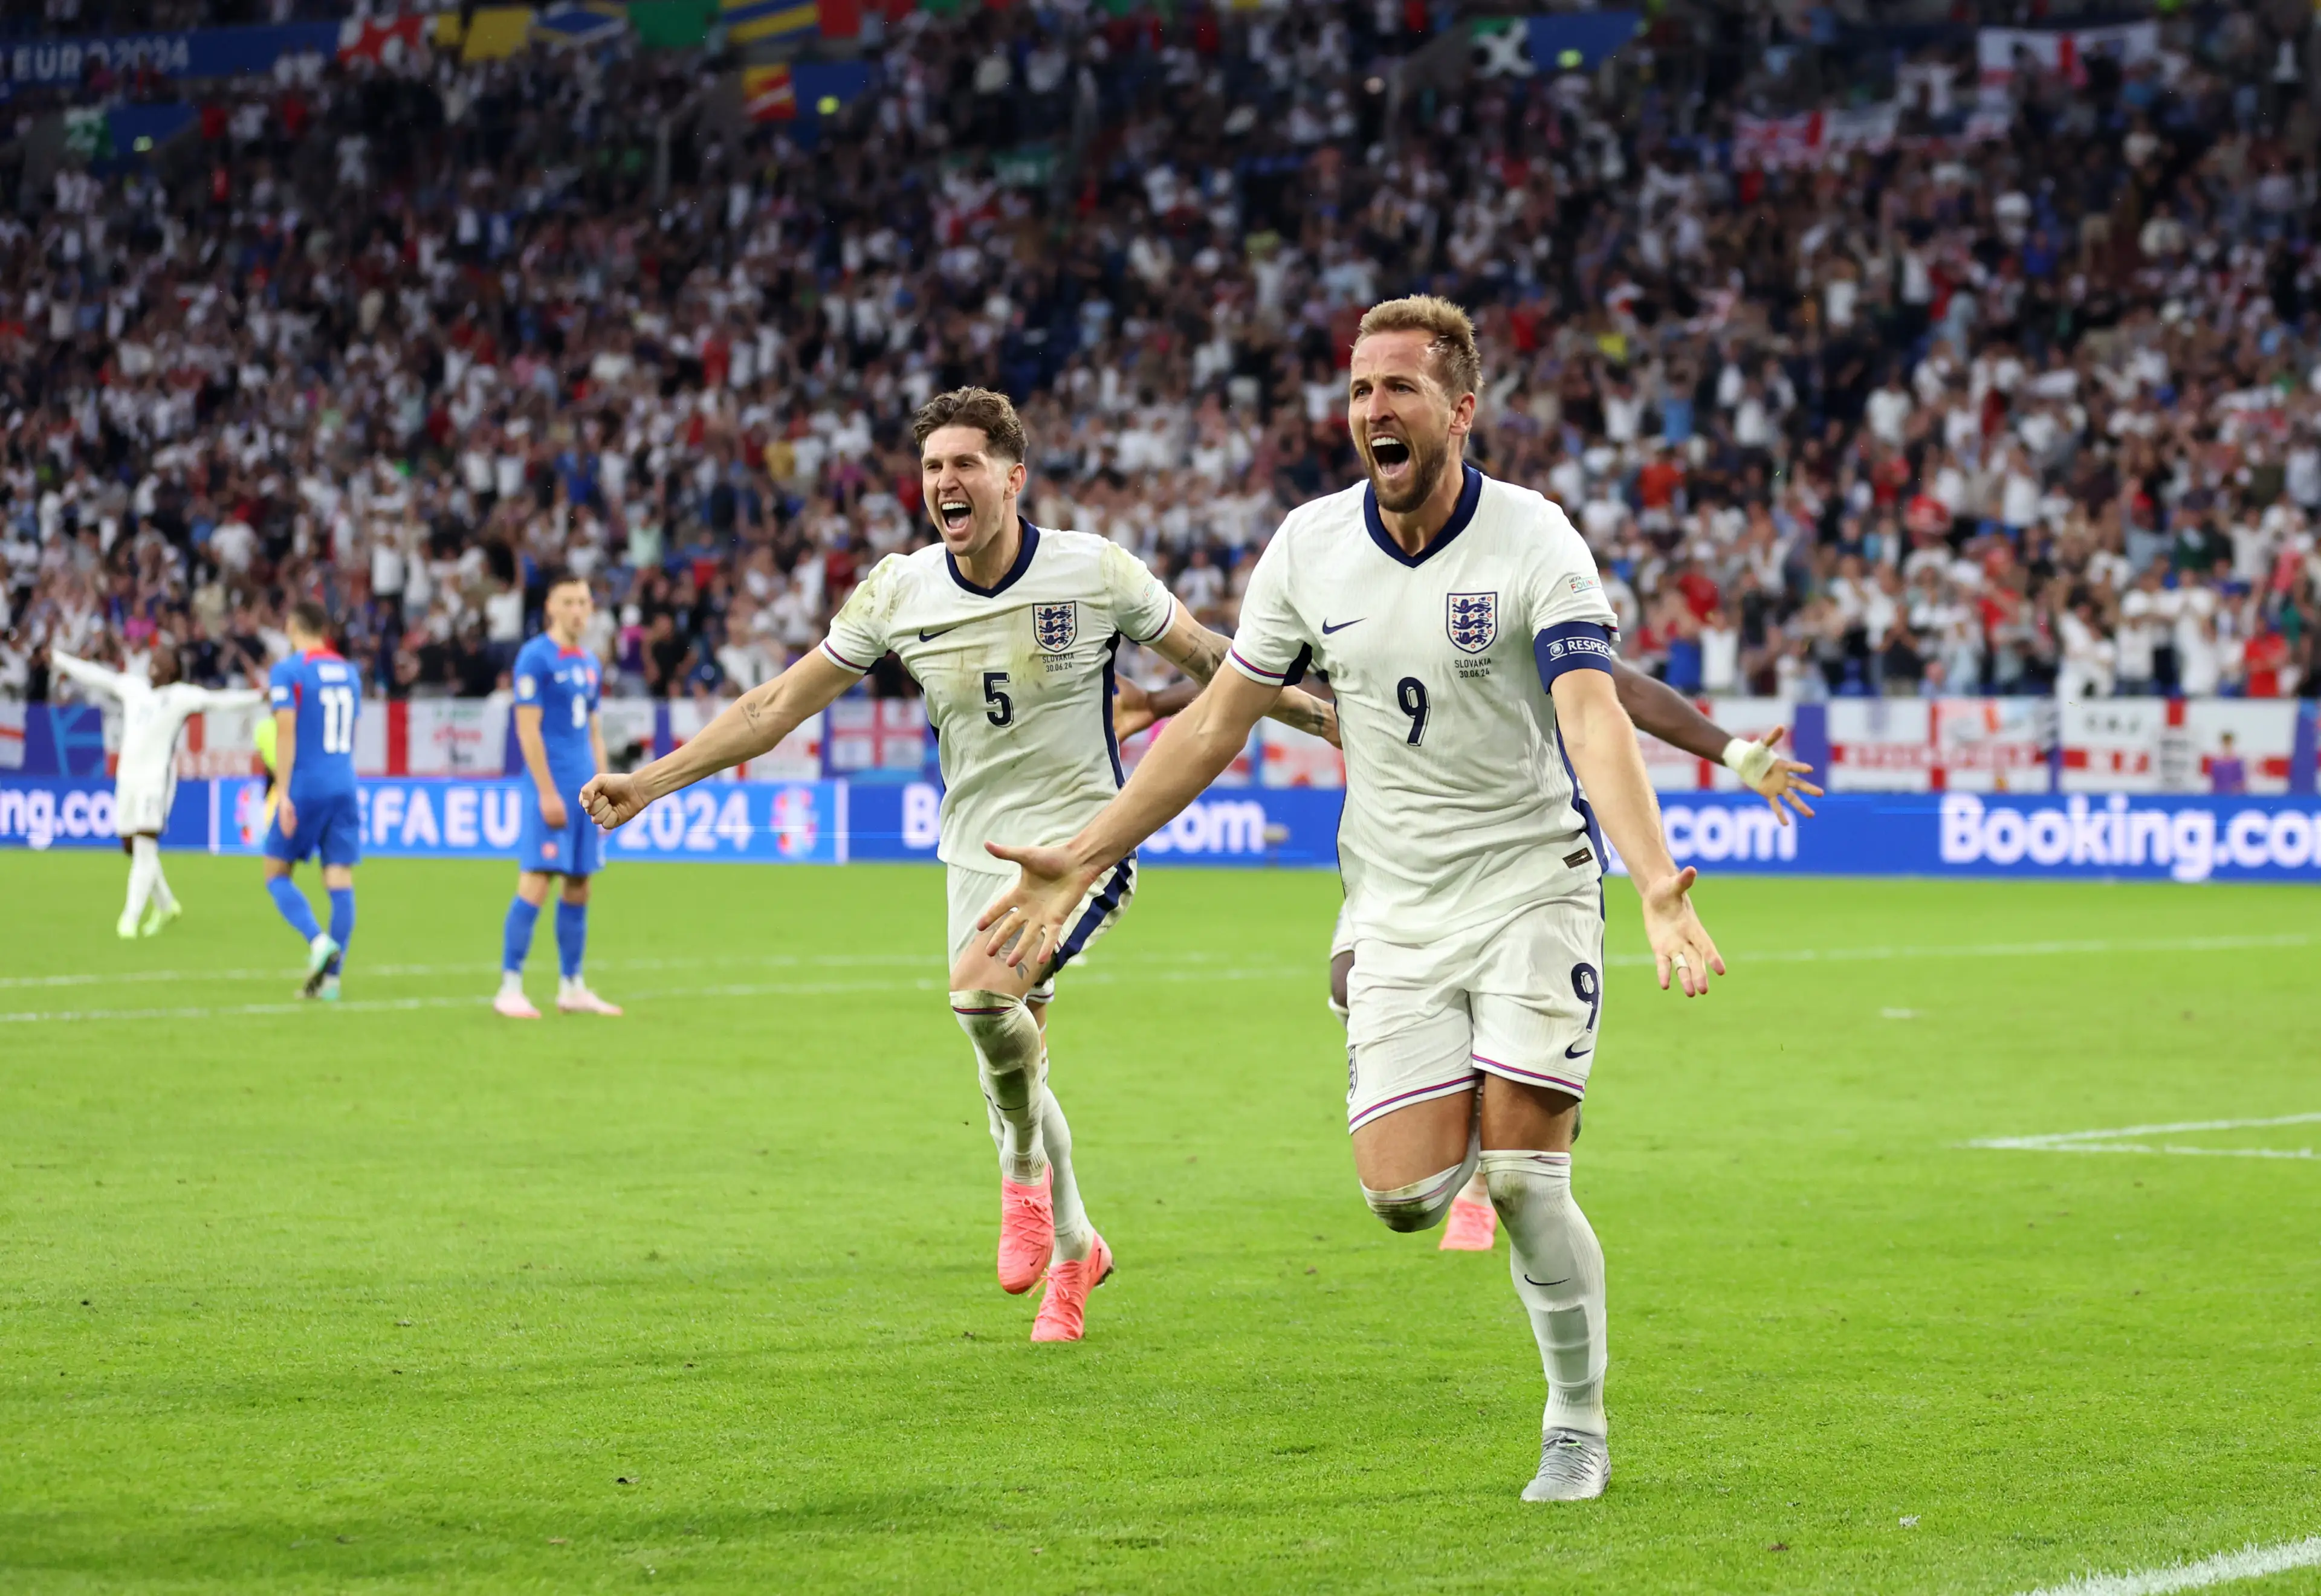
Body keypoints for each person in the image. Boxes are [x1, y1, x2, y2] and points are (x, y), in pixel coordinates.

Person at [976, 297, 1724, 1499]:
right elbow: (1218, 718)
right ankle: (1482, 1078)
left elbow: (1592, 713)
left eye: (1400, 389)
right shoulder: (1309, 547)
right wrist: (1086, 848)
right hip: (1393, 910)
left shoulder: (1538, 541)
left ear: (1459, 411)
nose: (1372, 409)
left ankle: (1575, 1421)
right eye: (1360, 389)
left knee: (1530, 1182)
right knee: (1399, 1198)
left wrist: (1653, 880)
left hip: (1534, 884)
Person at [579, 387, 1338, 1343]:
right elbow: (776, 706)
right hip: (973, 851)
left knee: (981, 1000)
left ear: (1012, 477)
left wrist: (1330, 720)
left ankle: (1021, 1181)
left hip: (1080, 845)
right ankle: (1077, 1252)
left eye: (965, 463)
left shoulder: (1094, 573)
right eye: (933, 466)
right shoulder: (900, 591)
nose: (946, 480)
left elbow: (1220, 666)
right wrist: (652, 782)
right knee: (1012, 1061)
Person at [1115, 666, 1818, 1254]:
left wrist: (1737, 754)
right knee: (1345, 987)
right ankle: (1486, 1109)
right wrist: (1154, 704)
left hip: (1513, 872)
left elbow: (1622, 692)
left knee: (1514, 1118)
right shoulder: (1367, 603)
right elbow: (1259, 671)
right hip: (1397, 873)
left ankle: (1490, 1170)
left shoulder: (1512, 605)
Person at [46, 644, 267, 939]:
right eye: (154, 655)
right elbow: (97, 676)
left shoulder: (180, 696)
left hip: (155, 780)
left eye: (163, 657)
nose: (154, 659)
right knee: (130, 844)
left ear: (173, 668)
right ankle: (165, 905)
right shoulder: (133, 687)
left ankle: (129, 919)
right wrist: (61, 659)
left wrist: (257, 697)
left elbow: (219, 701)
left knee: (145, 843)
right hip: (127, 778)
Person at [496, 570, 623, 1018]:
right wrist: (547, 792)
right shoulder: (534, 657)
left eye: (584, 602)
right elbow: (527, 730)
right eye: (568, 601)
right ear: (550, 606)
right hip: (549, 787)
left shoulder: (589, 661)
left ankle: (572, 986)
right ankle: (509, 986)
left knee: (579, 883)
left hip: (585, 790)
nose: (578, 610)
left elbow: (593, 731)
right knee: (536, 880)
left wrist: (609, 784)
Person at [264, 601, 364, 1000]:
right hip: (345, 779)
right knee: (339, 878)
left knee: (276, 872)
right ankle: (332, 982)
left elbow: (285, 733)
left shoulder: (289, 670)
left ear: (291, 625)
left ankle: (318, 942)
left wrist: (283, 791)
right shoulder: (350, 673)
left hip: (307, 782)